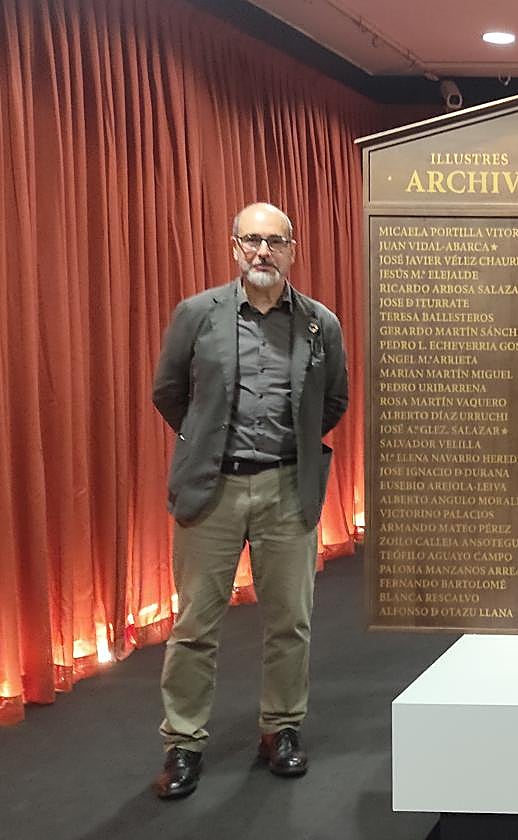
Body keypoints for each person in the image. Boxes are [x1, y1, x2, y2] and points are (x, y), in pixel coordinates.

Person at [150, 202, 349, 799]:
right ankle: (183, 742)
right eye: (252, 240)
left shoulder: (320, 324)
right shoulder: (196, 315)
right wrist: (208, 442)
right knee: (194, 625)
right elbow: (169, 393)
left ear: (293, 250)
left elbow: (333, 401)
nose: (263, 251)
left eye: (275, 241)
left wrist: (291, 445)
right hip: (212, 488)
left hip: (288, 489)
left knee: (291, 621)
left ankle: (281, 729)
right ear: (234, 247)